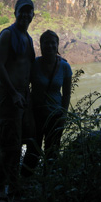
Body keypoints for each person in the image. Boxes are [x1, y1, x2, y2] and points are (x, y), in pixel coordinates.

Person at [0, 0, 35, 202]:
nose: (25, 15)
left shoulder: (28, 38)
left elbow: (28, 67)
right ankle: (0, 189)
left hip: (22, 96)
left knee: (19, 144)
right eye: (22, 12)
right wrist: (13, 93)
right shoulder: (8, 34)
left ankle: (14, 184)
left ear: (33, 14)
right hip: (8, 95)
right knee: (8, 145)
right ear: (15, 13)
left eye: (29, 12)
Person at [22, 30, 72, 176]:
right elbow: (25, 88)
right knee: (33, 151)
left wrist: (64, 116)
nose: (50, 46)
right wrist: (27, 114)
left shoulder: (64, 67)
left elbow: (67, 94)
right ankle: (25, 184)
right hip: (36, 115)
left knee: (52, 152)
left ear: (57, 45)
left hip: (55, 116)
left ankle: (48, 186)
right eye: (46, 43)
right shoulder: (34, 64)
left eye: (53, 43)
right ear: (41, 45)